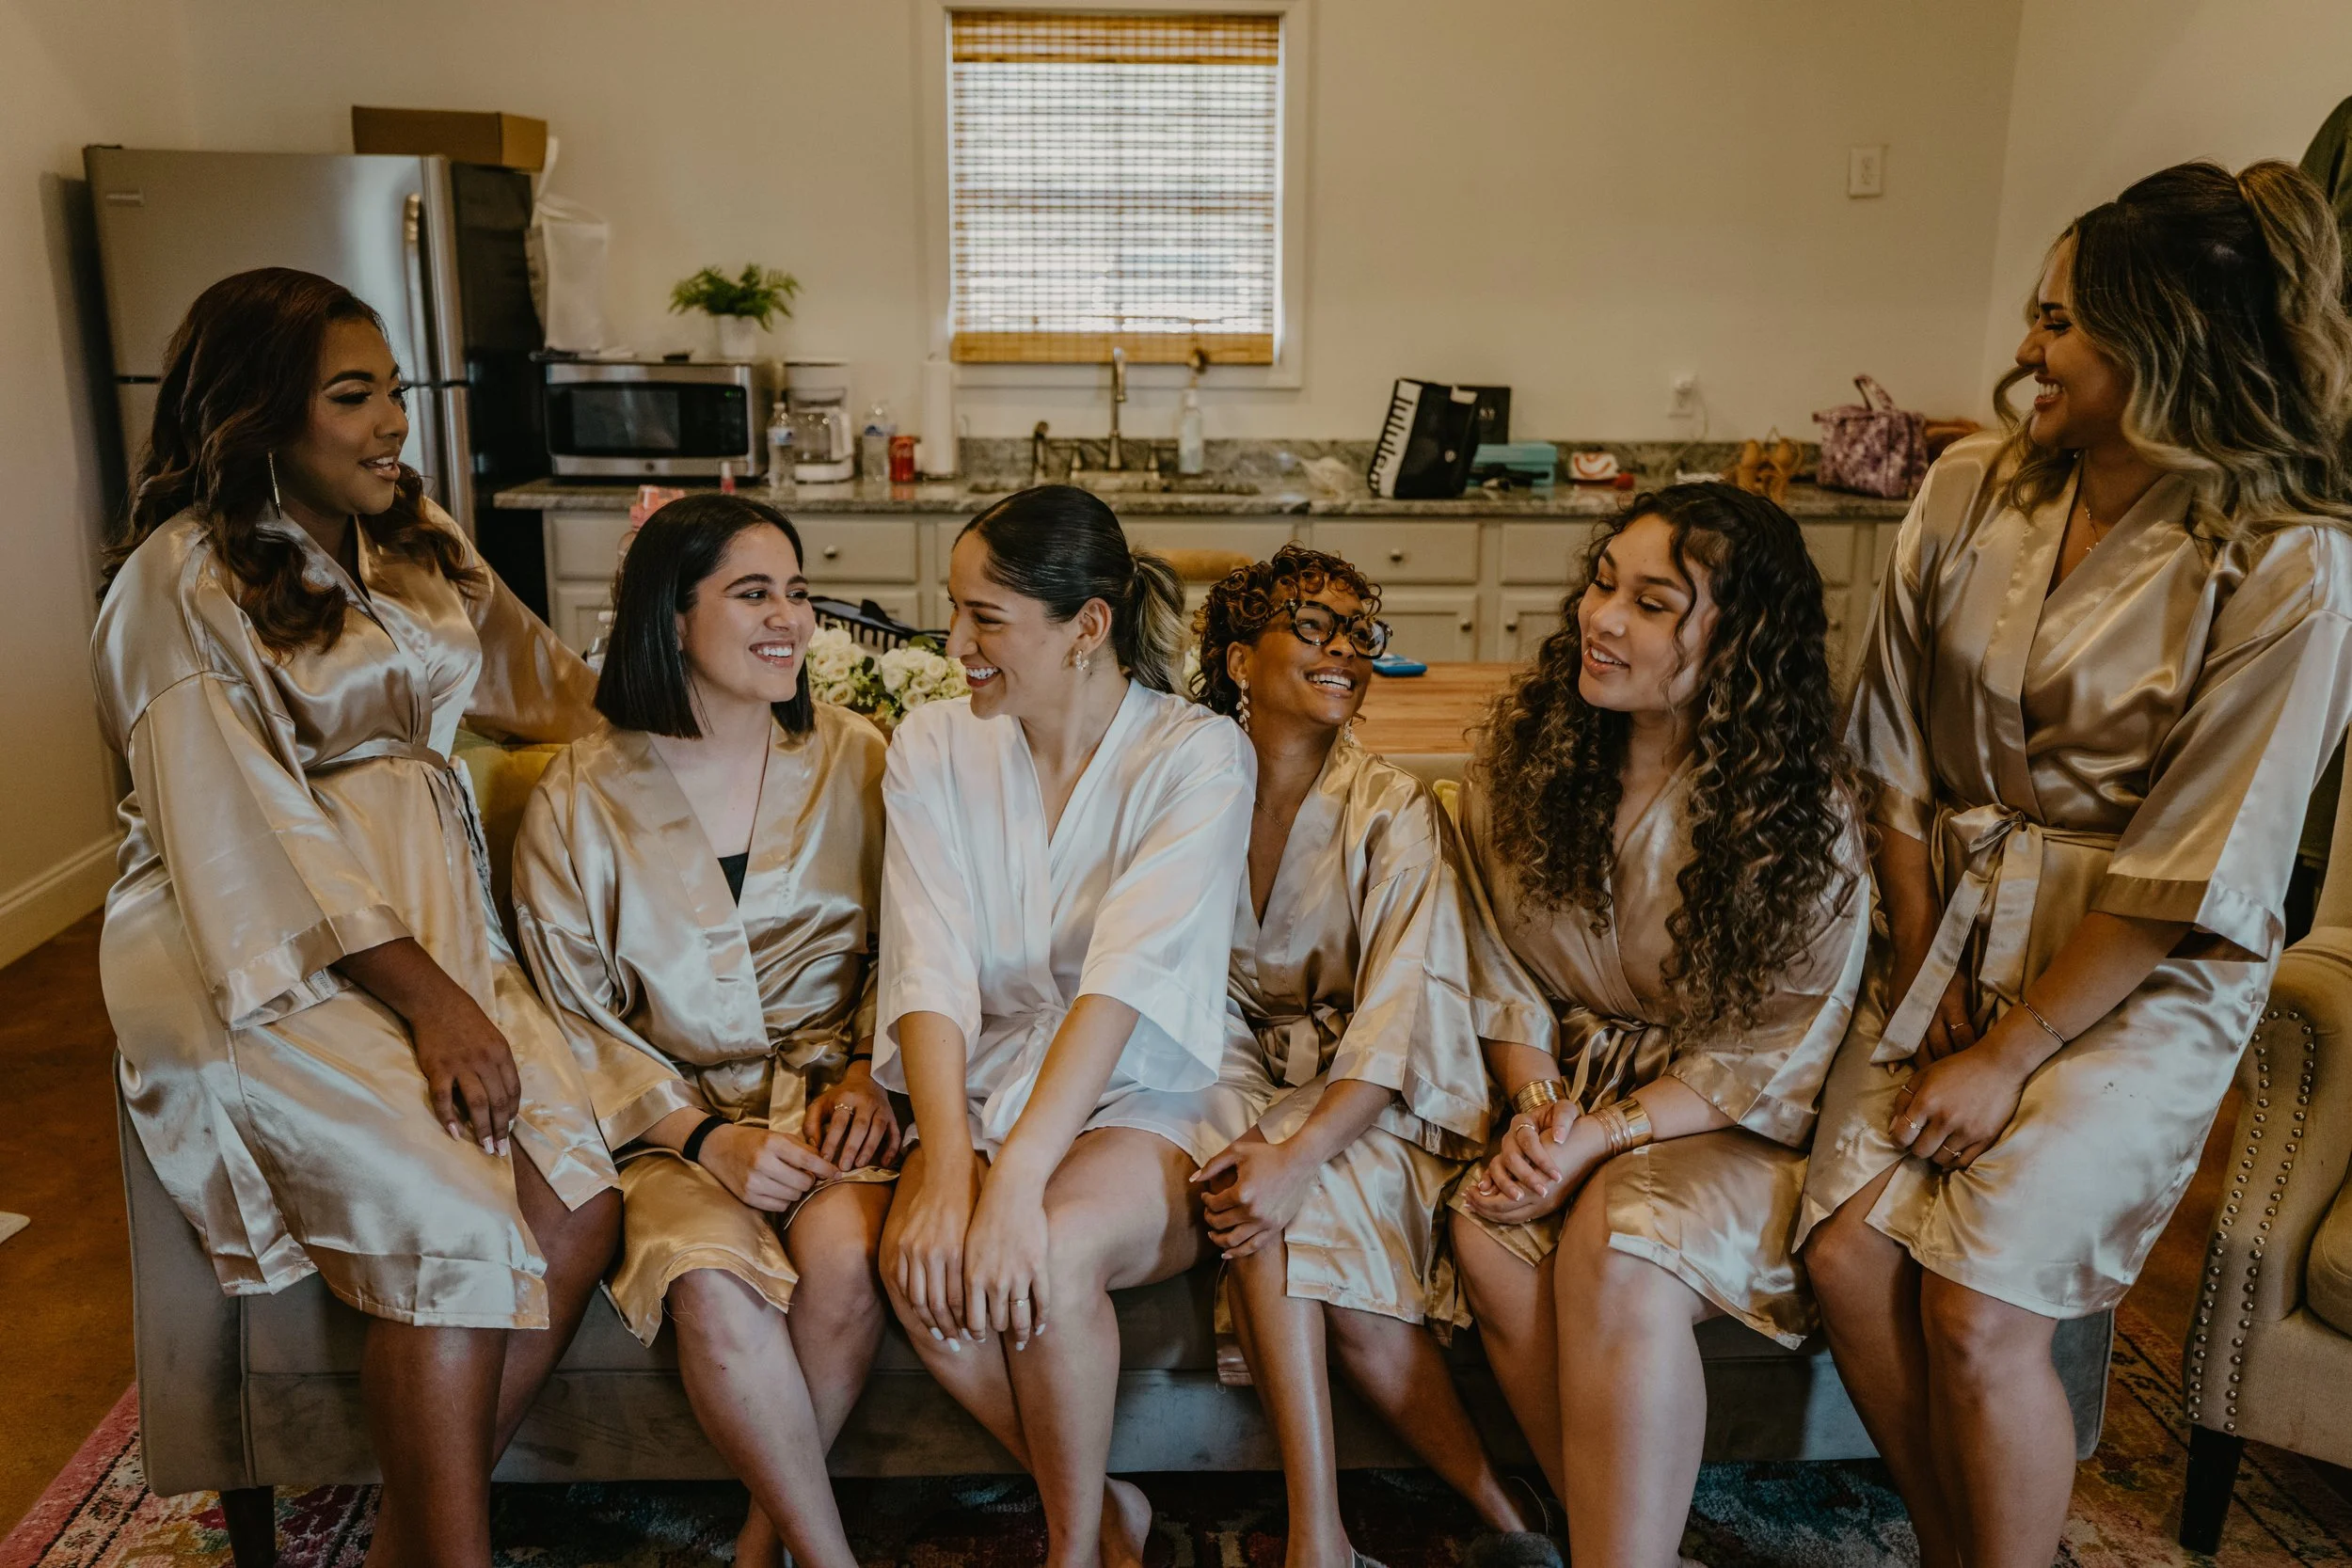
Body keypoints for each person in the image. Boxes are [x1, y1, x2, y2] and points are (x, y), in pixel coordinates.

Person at [1800, 160, 2352, 1568]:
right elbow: (1897, 751)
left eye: (2060, 322)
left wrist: (2015, 1044)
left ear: (2165, 341)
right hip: (1953, 923)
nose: (2025, 353)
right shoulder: (1975, 488)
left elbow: (2199, 857)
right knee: (1852, 1253)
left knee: (1979, 1305)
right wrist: (1933, 965)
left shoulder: (2292, 565)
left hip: (2143, 967)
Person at [92, 268, 619, 1568]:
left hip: (439, 926)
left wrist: (731, 672)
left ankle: (408, 1545)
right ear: (259, 412)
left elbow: (547, 690)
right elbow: (242, 831)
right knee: (455, 1218)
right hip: (259, 952)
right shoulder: (179, 580)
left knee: (576, 1194)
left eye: (393, 388)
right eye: (353, 394)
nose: (394, 421)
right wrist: (434, 1004)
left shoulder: (406, 534)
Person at [1449, 484, 1871, 1568]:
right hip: (1564, 1090)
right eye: (1601, 584)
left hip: (1726, 1117)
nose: (1601, 618)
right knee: (1489, 1228)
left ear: (1737, 640)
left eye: (1650, 602)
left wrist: (1601, 1135)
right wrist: (1542, 1111)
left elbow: (1776, 1044)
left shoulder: (1800, 813)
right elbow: (1491, 958)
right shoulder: (1529, 759)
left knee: (1620, 1236)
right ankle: (1627, 1549)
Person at [875, 484, 1258, 1568]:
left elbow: (1124, 980)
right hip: (985, 1069)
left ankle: (1068, 1551)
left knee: (1038, 1246)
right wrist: (948, 1163)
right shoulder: (934, 743)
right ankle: (1103, 1511)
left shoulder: (1197, 756)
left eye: (985, 617)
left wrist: (1011, 1185)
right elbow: (929, 960)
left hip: (1151, 1076)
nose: (954, 643)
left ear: (1087, 625)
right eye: (953, 610)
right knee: (925, 1270)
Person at [510, 495, 895, 1568]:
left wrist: (870, 1068)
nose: (791, 618)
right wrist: (698, 1138)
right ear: (671, 617)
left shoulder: (858, 759)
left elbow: (919, 946)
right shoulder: (580, 795)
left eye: (799, 591)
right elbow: (566, 1008)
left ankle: (759, 1540)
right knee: (709, 1280)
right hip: (668, 1123)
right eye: (753, 592)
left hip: (832, 1100)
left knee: (848, 1257)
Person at [1190, 545, 1558, 1568]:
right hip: (1220, 1064)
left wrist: (1298, 1146)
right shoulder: (1188, 783)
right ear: (1236, 662)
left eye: (1359, 632)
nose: (1345, 650)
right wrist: (1258, 1133)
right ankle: (1357, 1531)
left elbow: (1397, 1022)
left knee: (1287, 1211)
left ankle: (1434, 1516)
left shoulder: (1392, 808)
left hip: (1370, 1091)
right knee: (1241, 1179)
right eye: (1314, 626)